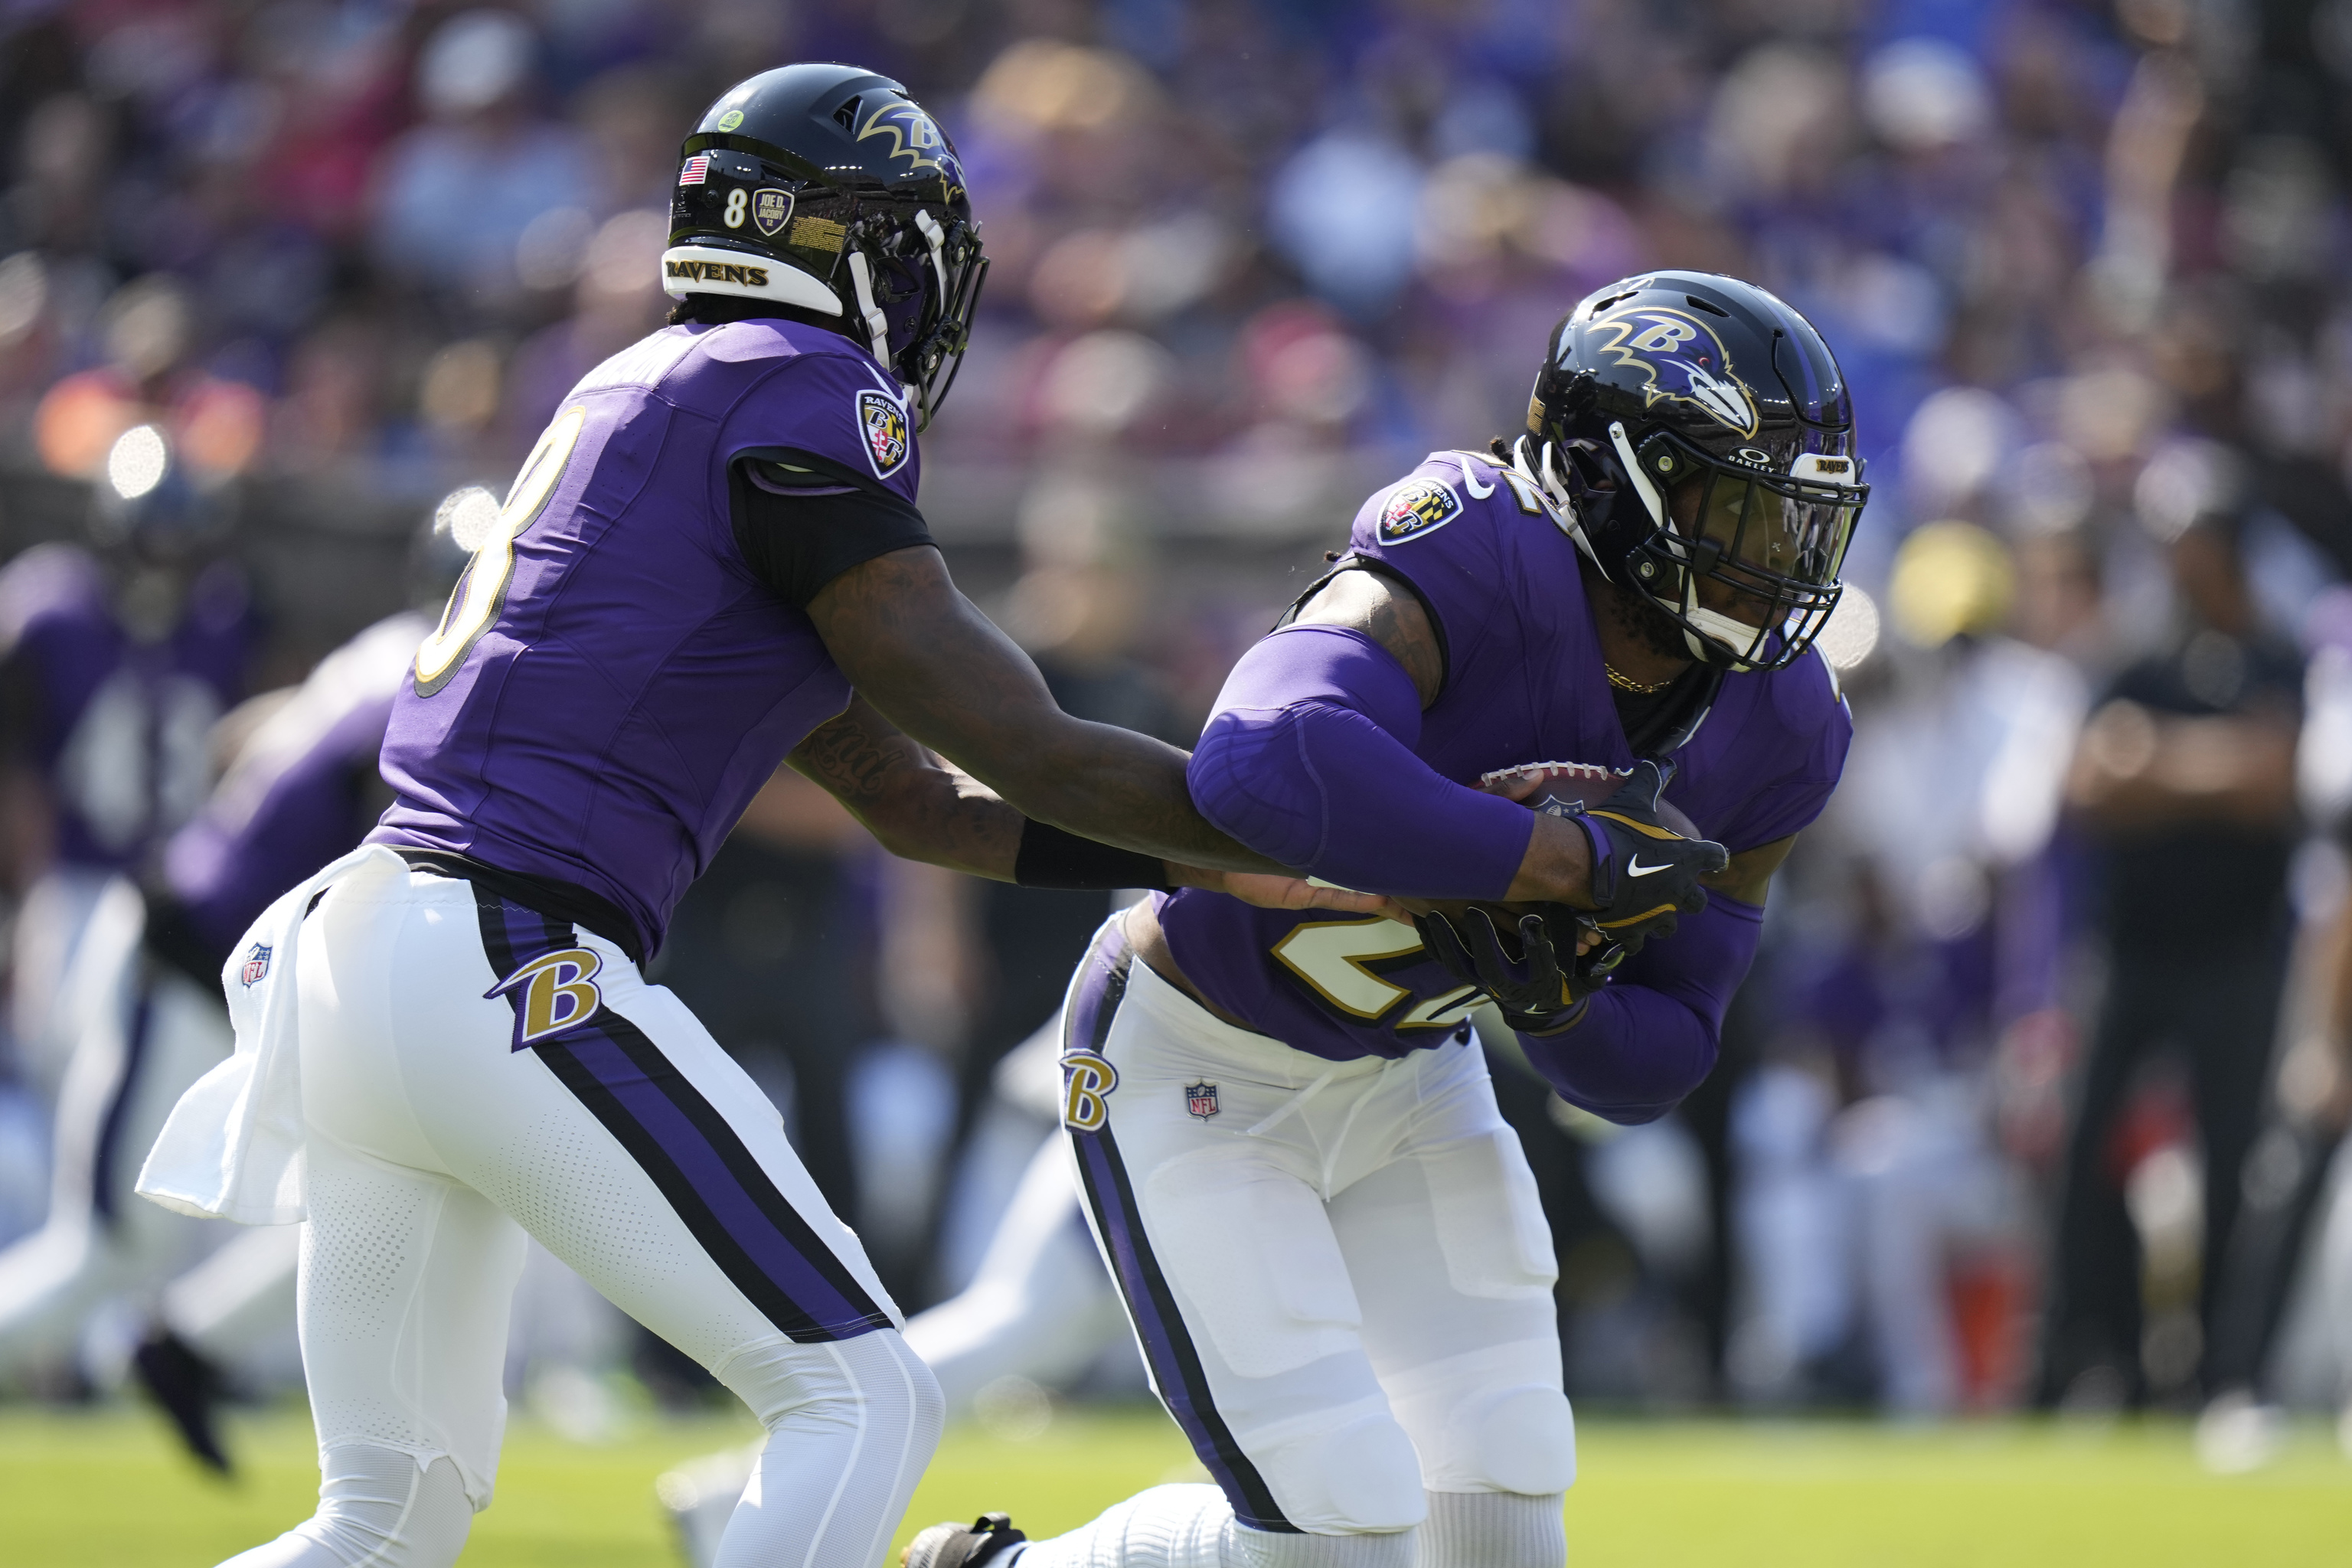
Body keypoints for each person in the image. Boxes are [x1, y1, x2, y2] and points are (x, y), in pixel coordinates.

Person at [135, 64, 1377, 1568]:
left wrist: (1200, 860)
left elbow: (920, 801)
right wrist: (1282, 832)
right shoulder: (794, 384)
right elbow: (1018, 737)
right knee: (863, 1398)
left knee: (381, 1518)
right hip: (505, 951)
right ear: (849, 242)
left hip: (370, 952)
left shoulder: (642, 402)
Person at [905, 270, 1864, 1568]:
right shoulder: (1480, 549)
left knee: (1505, 1508)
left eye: (1799, 522)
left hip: (1413, 1077)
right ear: (1615, 475)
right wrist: (1548, 864)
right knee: (1341, 1524)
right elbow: (1256, 755)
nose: (1777, 561)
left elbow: (1665, 1049)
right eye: (1741, 507)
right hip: (1198, 1056)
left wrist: (1554, 992)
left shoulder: (1786, 722)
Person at [0, 494, 469, 1455]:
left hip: (246, 966)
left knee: (389, 1189)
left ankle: (185, 1345)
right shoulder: (425, 678)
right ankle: (176, 1344)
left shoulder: (379, 657)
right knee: (108, 1248)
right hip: (193, 961)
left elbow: (256, 741)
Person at [2035, 515, 2304, 1410]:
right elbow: (2082, 783)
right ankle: (2086, 1358)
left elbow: (2276, 780)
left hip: (2234, 952)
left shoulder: (2278, 658)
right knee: (2084, 1153)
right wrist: (2218, 765)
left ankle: (2219, 1374)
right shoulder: (2137, 655)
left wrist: (2150, 758)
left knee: (2233, 1162)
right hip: (2131, 950)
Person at [0, 423, 250, 1102]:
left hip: (176, 895)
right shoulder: (51, 610)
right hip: (77, 881)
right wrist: (29, 889)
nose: (159, 566)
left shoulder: (228, 617)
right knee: (54, 1069)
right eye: (146, 545)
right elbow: (25, 768)